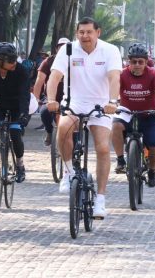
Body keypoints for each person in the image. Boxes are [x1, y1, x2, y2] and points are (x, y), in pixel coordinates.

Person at [46, 17, 122, 219]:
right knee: (63, 129)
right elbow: (54, 77)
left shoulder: (110, 50)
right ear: (76, 33)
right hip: (74, 101)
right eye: (81, 32)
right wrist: (51, 99)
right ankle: (69, 171)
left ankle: (100, 199)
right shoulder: (68, 49)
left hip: (101, 103)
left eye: (89, 32)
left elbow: (115, 77)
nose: (85, 36)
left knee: (103, 148)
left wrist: (113, 101)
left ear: (98, 32)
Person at [112, 44, 155, 187]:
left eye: (140, 62)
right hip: (126, 113)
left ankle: (152, 170)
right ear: (128, 62)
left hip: (148, 115)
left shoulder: (153, 74)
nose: (137, 65)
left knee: (154, 147)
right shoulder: (122, 74)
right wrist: (110, 103)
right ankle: (120, 160)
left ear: (146, 62)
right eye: (133, 62)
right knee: (116, 125)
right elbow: (111, 91)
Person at [0, 42, 30, 185]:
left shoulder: (21, 71)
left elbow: (24, 95)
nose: (14, 63)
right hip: (0, 104)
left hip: (17, 105)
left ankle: (20, 165)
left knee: (15, 133)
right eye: (10, 61)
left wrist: (24, 114)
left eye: (15, 59)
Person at [33, 37, 70, 146]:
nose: (63, 49)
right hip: (50, 98)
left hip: (70, 99)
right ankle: (49, 132)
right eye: (61, 47)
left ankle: (76, 150)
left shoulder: (75, 61)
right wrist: (36, 99)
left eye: (66, 47)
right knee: (44, 113)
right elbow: (39, 81)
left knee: (74, 123)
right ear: (56, 48)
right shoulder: (48, 61)